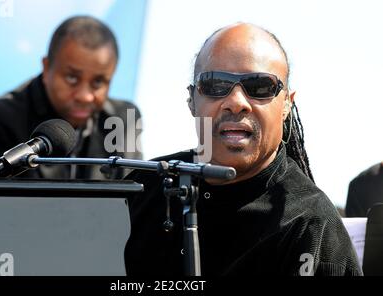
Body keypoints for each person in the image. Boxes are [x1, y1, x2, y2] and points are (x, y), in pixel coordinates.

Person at [124, 23, 362, 276]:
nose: (236, 103)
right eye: (216, 85)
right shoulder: (144, 187)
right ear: (192, 100)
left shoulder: (310, 226)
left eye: (259, 86)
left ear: (286, 105)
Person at [0, 16, 142, 179]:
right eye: (72, 78)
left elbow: (134, 206)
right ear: (47, 68)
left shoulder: (123, 120)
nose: (85, 96)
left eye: (98, 82)